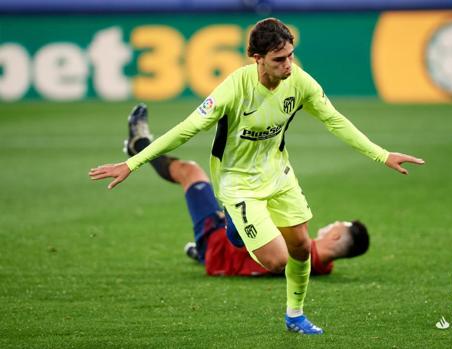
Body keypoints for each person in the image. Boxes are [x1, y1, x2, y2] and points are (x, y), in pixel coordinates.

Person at [89, 18, 425, 335]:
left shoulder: (300, 82)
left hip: (279, 175)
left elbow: (335, 121)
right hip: (238, 182)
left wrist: (382, 154)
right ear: (257, 59)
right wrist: (132, 164)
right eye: (279, 59)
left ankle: (295, 315)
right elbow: (186, 129)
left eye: (291, 56)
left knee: (301, 248)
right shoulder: (234, 88)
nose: (288, 65)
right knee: (277, 260)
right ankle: (233, 225)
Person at [122, 104, 370, 277]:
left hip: (218, 242)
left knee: (190, 171)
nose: (335, 222)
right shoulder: (320, 265)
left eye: (340, 224)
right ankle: (198, 252)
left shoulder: (297, 252)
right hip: (226, 251)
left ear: (336, 237)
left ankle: (140, 144)